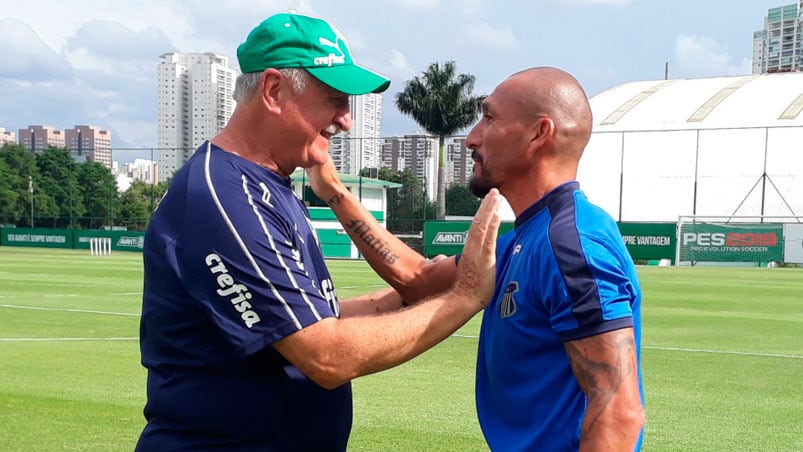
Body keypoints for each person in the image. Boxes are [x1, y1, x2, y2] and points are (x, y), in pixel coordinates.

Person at [135, 11, 501, 451]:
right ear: (273, 91)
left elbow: (304, 317)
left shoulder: (268, 185)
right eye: (334, 96)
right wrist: (462, 299)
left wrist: (397, 299)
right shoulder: (225, 198)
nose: (345, 119)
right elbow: (323, 354)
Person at [313, 66, 646, 451]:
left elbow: (619, 412)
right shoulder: (522, 240)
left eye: (489, 118)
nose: (471, 138)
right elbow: (418, 280)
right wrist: (334, 191)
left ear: (539, 134)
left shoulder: (572, 244)